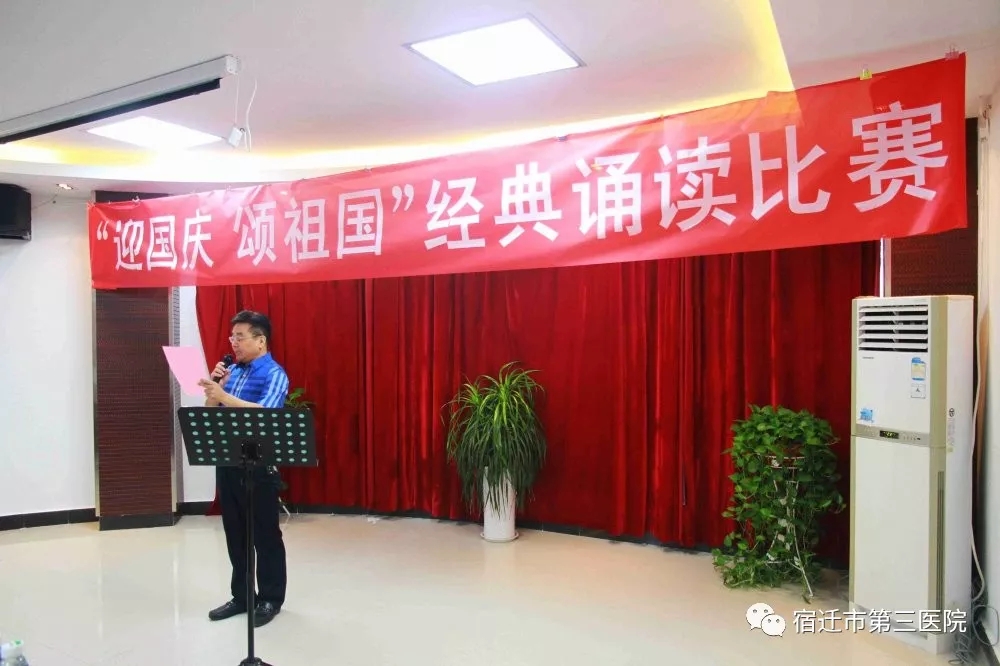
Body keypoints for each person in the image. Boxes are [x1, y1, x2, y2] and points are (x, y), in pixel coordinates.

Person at [198, 310, 290, 628]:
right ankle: (242, 596)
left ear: (260, 341)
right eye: (232, 337)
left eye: (240, 337)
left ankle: (270, 598)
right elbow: (211, 411)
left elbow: (267, 413)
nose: (234, 343)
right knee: (235, 534)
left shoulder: (275, 373)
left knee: (265, 535)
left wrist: (225, 395)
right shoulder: (233, 372)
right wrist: (215, 390)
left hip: (259, 466)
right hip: (229, 461)